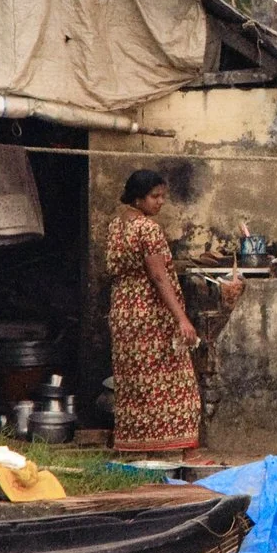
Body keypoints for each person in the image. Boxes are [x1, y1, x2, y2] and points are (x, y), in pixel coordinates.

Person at [106, 169, 239, 453]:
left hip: (124, 312)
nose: (161, 202)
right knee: (175, 380)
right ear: (137, 198)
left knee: (136, 383)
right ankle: (182, 449)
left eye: (163, 196)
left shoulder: (117, 226)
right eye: (155, 196)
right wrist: (181, 318)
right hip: (151, 312)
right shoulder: (147, 229)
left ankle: (138, 446)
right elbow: (157, 276)